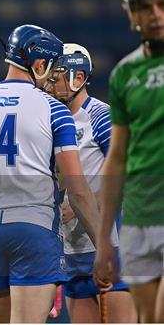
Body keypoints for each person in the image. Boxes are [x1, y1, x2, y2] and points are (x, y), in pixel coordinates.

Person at [0, 24, 101, 323]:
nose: (54, 78)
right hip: (34, 231)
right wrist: (104, 248)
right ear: (39, 64)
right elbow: (78, 191)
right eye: (52, 69)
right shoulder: (54, 109)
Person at [43, 43, 136, 322]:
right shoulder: (50, 124)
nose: (49, 85)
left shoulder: (101, 116)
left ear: (78, 78)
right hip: (72, 252)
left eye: (55, 77)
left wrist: (84, 201)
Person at [94, 0, 164, 323]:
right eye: (144, 6)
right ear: (130, 12)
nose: (155, 15)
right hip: (139, 217)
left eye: (161, 4)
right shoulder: (124, 74)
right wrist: (105, 237)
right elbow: (116, 159)